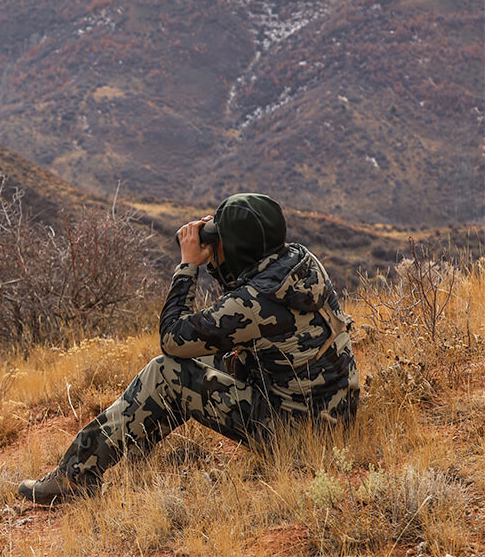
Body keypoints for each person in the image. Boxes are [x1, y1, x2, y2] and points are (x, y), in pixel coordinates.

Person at [18, 192, 360, 504]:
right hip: (335, 414)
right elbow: (237, 304)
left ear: (237, 249)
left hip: (297, 436)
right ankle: (137, 440)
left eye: (220, 241)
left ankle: (75, 477)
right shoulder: (300, 263)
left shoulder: (255, 303)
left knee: (166, 372)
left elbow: (172, 337)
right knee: (208, 354)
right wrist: (228, 253)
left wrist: (189, 266)